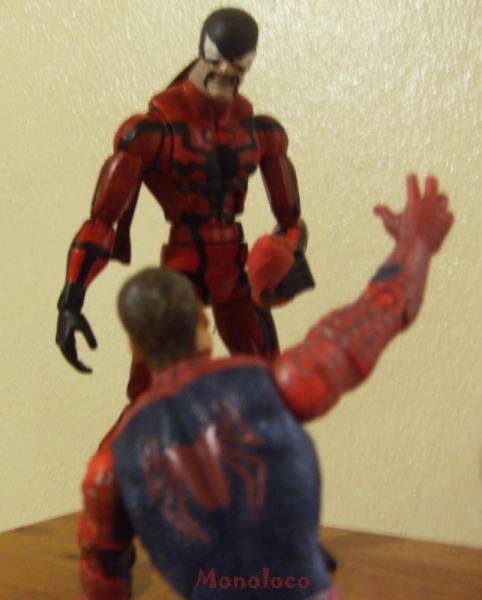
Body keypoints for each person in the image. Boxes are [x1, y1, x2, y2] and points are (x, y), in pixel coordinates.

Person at [73, 175, 453, 599]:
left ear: (133, 346)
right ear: (204, 323)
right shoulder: (277, 382)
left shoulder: (110, 465)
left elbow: (101, 573)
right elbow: (378, 313)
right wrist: (414, 248)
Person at [56, 8, 314, 401]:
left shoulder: (261, 131)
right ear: (203, 51)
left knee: (269, 385)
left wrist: (282, 256)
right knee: (148, 397)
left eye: (239, 64)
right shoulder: (151, 132)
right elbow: (102, 221)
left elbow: (292, 221)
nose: (226, 72)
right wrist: (71, 300)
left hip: (234, 270)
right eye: (218, 59)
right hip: (182, 269)